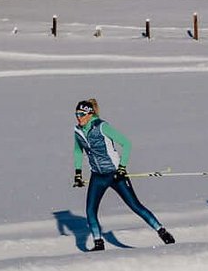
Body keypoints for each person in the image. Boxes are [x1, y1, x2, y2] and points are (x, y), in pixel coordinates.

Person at [72, 98, 175, 251]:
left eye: (81, 114)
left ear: (89, 114)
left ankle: (162, 231)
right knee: (90, 210)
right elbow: (78, 151)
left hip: (114, 174)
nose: (78, 118)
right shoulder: (78, 131)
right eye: (76, 114)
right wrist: (78, 173)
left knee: (135, 206)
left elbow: (126, 144)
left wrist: (122, 168)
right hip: (98, 176)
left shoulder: (102, 127)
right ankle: (98, 243)